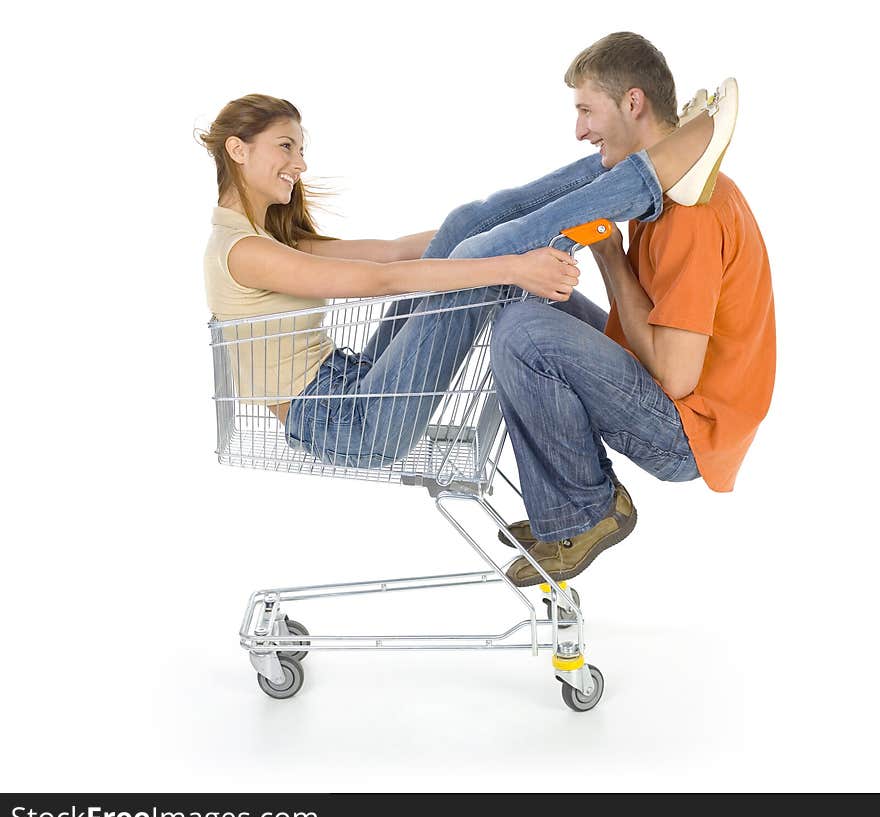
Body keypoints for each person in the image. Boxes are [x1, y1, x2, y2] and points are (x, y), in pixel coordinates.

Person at [200, 81, 733, 473]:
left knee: (466, 225)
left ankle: (624, 166)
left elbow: (391, 254)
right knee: (482, 249)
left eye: (300, 148)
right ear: (238, 150)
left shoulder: (270, 239)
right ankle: (646, 177)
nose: (300, 164)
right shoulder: (243, 250)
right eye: (285, 147)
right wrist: (509, 264)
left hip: (353, 385)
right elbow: (382, 282)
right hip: (350, 421)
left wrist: (493, 230)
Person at [477, 33, 775, 588]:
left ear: (632, 103)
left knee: (525, 331)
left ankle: (589, 512)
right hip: (669, 389)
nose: (579, 131)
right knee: (522, 300)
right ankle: (560, 508)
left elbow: (677, 376)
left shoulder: (692, 211)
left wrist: (609, 253)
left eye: (587, 110)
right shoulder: (658, 191)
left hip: (688, 430)